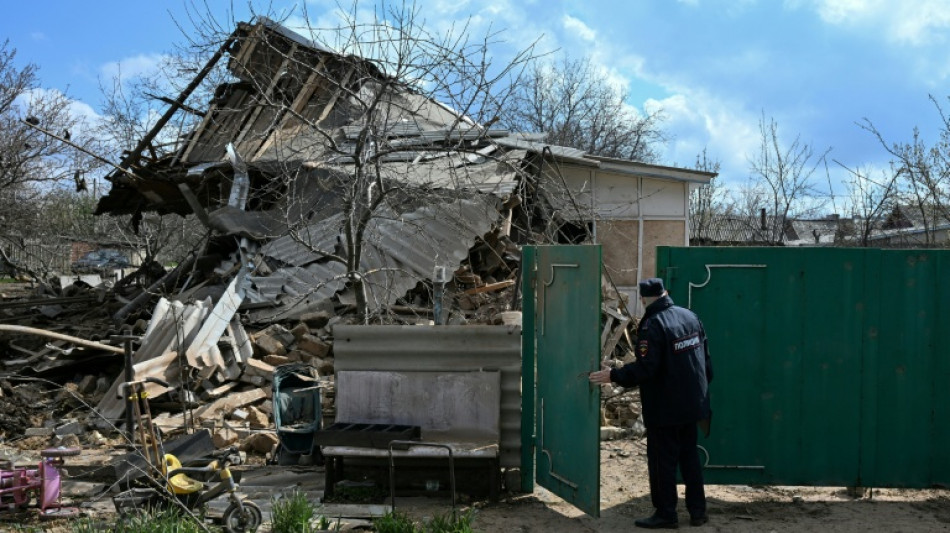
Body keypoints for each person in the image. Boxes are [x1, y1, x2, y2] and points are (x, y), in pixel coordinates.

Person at [590, 277, 713, 529]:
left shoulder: (653, 325)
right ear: (665, 292)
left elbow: (646, 368)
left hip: (666, 409)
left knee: (662, 462)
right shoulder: (690, 316)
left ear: (643, 299)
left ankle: (666, 514)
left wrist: (614, 375)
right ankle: (698, 512)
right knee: (689, 458)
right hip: (693, 404)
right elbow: (706, 362)